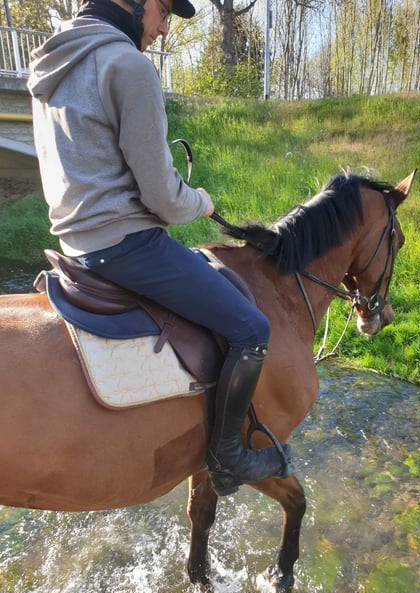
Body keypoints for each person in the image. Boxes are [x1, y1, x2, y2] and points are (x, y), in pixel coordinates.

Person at [27, 0, 293, 496]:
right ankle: (228, 457)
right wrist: (201, 202)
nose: (164, 29)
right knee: (252, 328)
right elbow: (162, 197)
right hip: (127, 245)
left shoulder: (51, 63)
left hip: (75, 244)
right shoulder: (127, 65)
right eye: (164, 11)